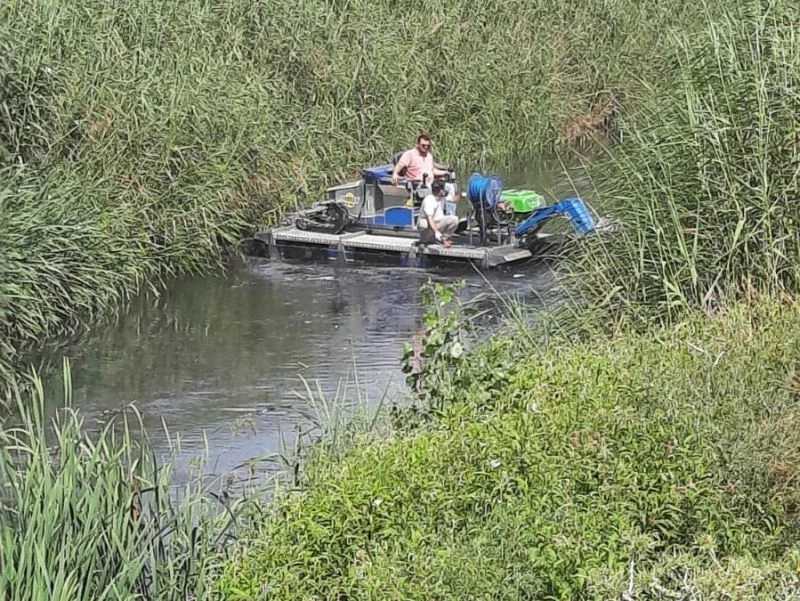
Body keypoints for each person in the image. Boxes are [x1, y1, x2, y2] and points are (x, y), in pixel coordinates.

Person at [418, 180, 459, 248]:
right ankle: (424, 240)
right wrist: (436, 232)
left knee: (454, 219)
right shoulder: (429, 200)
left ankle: (444, 239)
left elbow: (454, 200)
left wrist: (462, 195)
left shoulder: (443, 196)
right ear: (440, 190)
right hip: (429, 226)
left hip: (438, 222)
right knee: (423, 223)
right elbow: (429, 219)